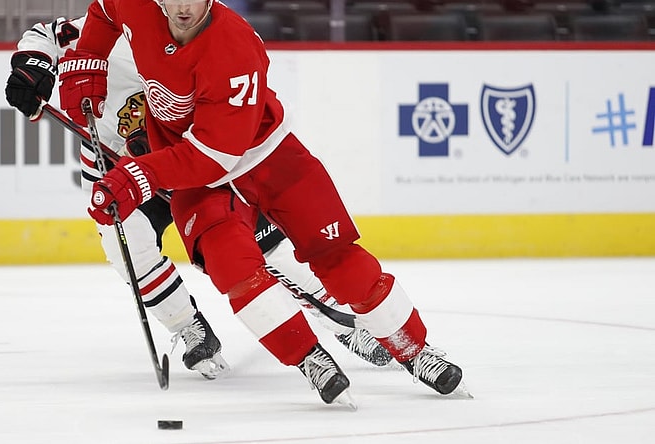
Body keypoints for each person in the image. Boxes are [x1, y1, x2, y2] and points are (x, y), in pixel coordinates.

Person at [56, 0, 467, 408]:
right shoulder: (134, 6)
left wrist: (138, 175)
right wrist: (89, 59)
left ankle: (414, 350)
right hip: (201, 181)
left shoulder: (233, 46)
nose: (184, 7)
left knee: (340, 260)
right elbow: (104, 12)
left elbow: (214, 156)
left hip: (265, 157)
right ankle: (308, 357)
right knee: (235, 271)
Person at [4, 12, 395, 383]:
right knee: (127, 249)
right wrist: (31, 67)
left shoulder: (200, 33)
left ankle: (341, 319)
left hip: (193, 158)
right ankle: (187, 325)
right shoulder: (111, 26)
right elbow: (44, 36)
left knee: (266, 246)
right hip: (118, 163)